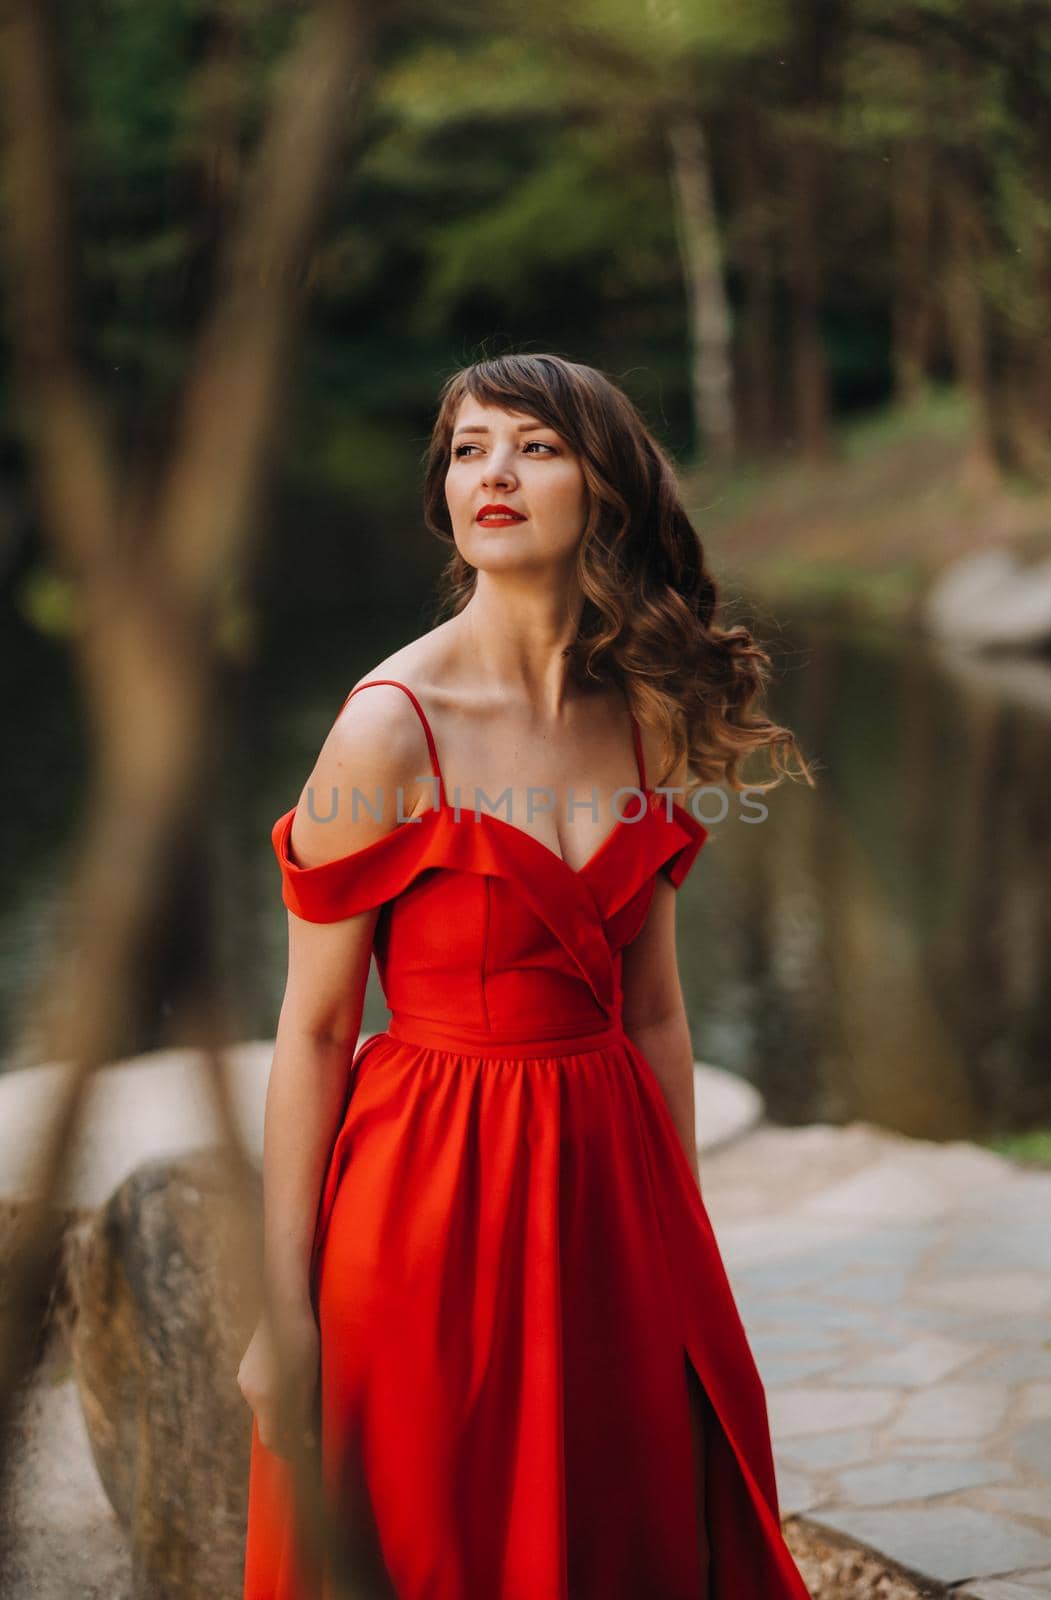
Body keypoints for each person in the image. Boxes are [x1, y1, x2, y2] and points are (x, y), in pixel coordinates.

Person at [238, 352, 815, 1600]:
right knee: (442, 1537)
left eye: (535, 446)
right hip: (424, 1201)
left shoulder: (647, 712)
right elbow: (313, 1027)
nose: (492, 472)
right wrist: (280, 1308)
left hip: (610, 1190)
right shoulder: (386, 724)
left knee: (625, 1529)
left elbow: (655, 1008)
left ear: (603, 484)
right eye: (466, 447)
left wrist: (684, 1237)